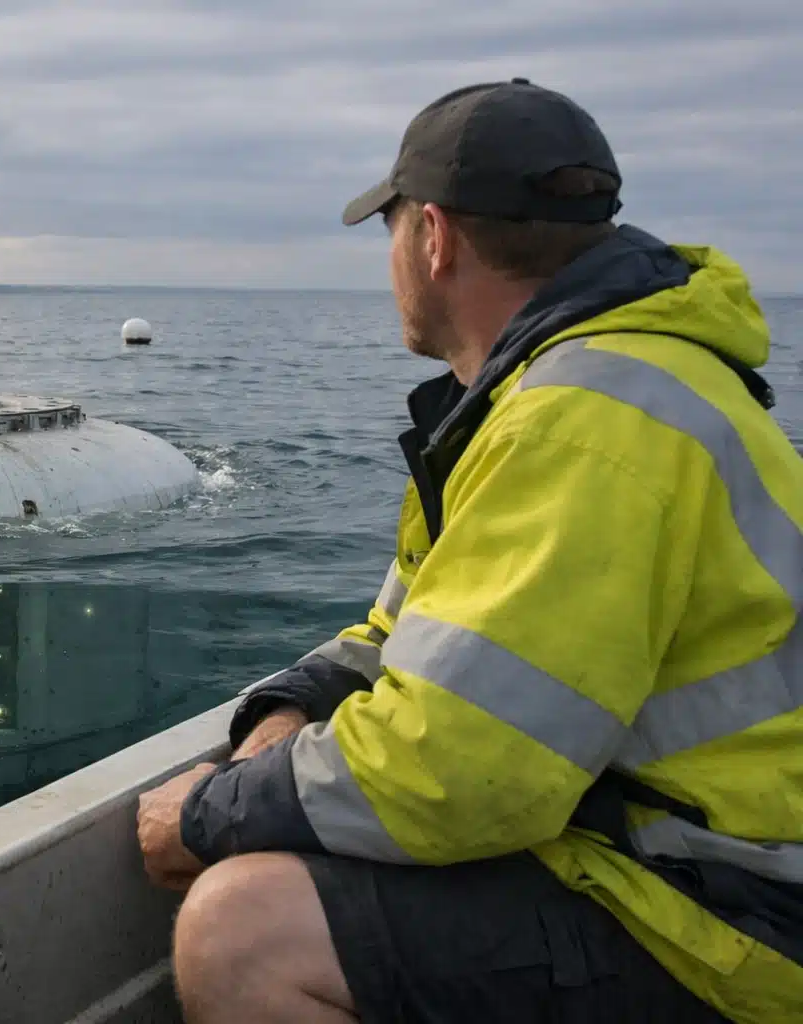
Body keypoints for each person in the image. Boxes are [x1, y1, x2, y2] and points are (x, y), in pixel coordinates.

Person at [136, 78, 803, 1023]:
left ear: (435, 237)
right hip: (674, 863)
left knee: (241, 932)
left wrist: (208, 814)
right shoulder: (593, 386)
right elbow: (400, 630)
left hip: (734, 926)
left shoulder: (578, 427)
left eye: (393, 231)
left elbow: (457, 774)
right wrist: (281, 719)